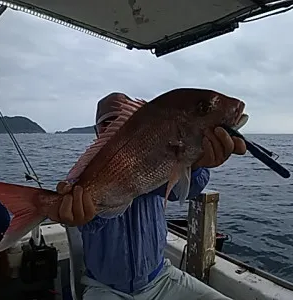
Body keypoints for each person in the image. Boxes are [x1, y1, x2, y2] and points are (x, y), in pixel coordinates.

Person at [56, 93, 247, 300]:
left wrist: (196, 165)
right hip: (104, 288)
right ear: (97, 133)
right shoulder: (82, 180)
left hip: (161, 278)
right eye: (107, 124)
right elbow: (88, 225)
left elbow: (182, 191)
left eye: (122, 122)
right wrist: (77, 213)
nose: (115, 129)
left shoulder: (155, 161)